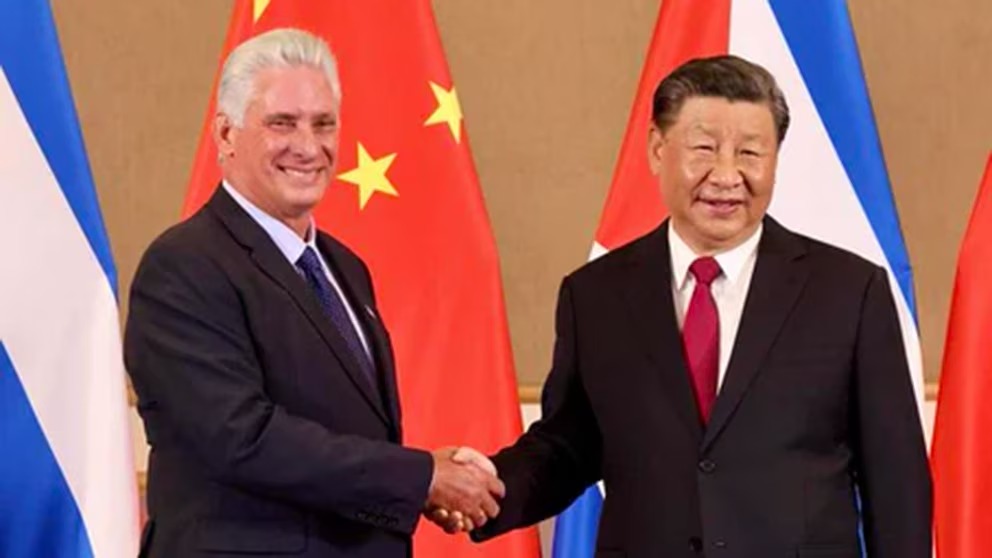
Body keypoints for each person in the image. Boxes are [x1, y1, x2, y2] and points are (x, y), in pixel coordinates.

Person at [448, 55, 932, 557]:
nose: (727, 175)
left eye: (750, 152)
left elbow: (896, 483)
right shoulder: (595, 294)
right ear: (658, 149)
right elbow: (570, 445)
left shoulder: (849, 292)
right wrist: (491, 487)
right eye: (704, 149)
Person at [125, 28, 501, 558]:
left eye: (324, 124)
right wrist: (420, 478)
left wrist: (419, 482)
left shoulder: (344, 268)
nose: (308, 146)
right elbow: (243, 438)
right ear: (226, 134)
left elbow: (350, 430)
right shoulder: (183, 267)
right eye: (282, 123)